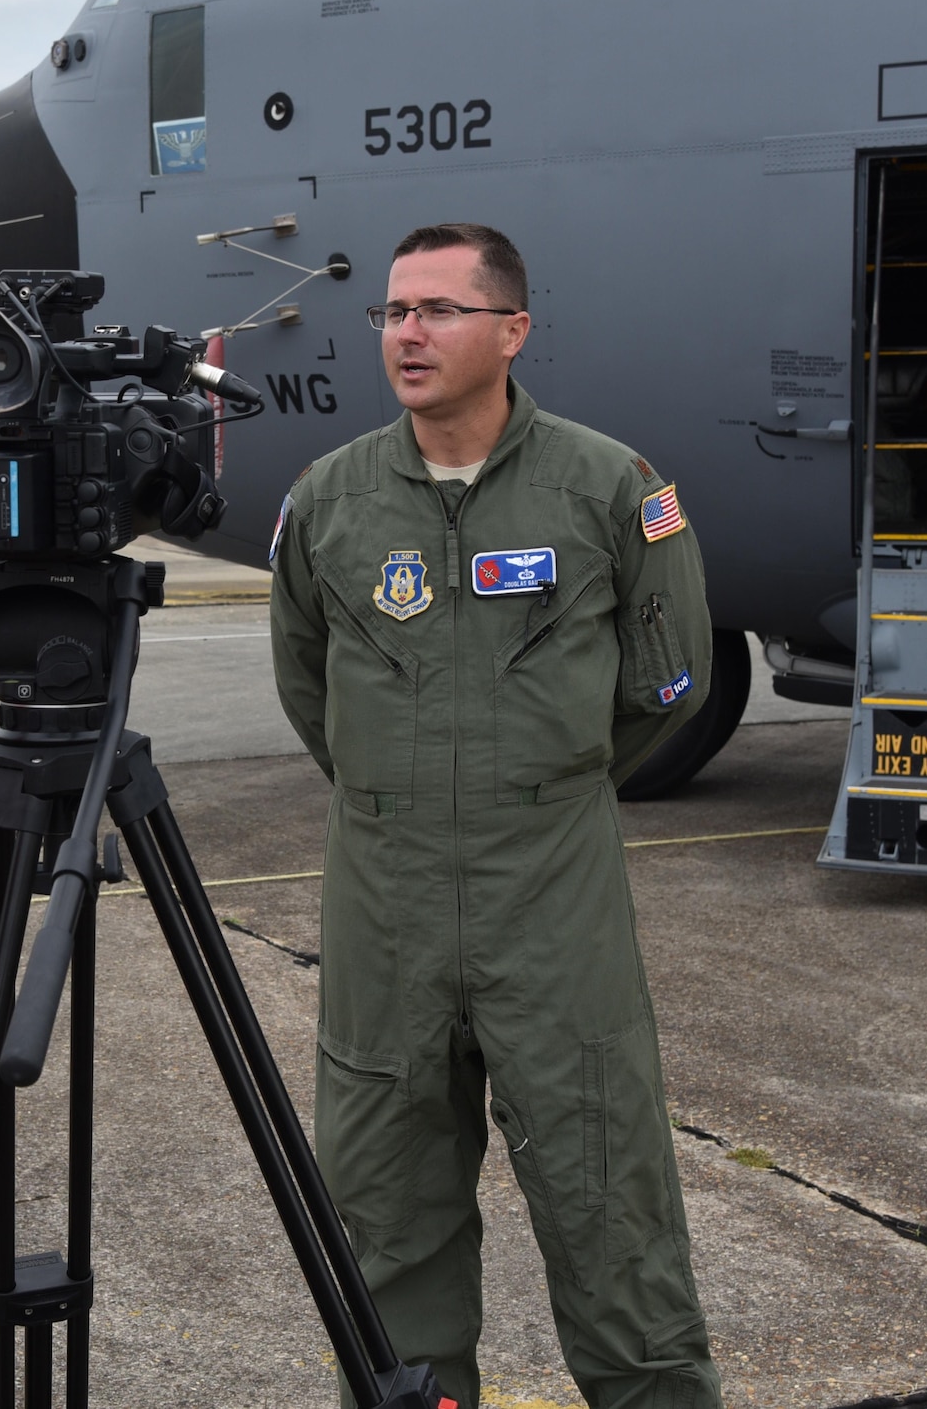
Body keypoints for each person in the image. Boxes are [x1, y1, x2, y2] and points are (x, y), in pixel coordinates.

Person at [268, 223, 719, 1409]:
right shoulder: (329, 502)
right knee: (385, 1210)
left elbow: (668, 683)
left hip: (550, 897)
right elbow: (309, 693)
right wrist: (410, 789)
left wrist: (548, 782)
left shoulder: (610, 487)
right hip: (385, 898)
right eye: (390, 312)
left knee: (605, 1194)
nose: (404, 334)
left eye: (436, 310)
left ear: (510, 330)